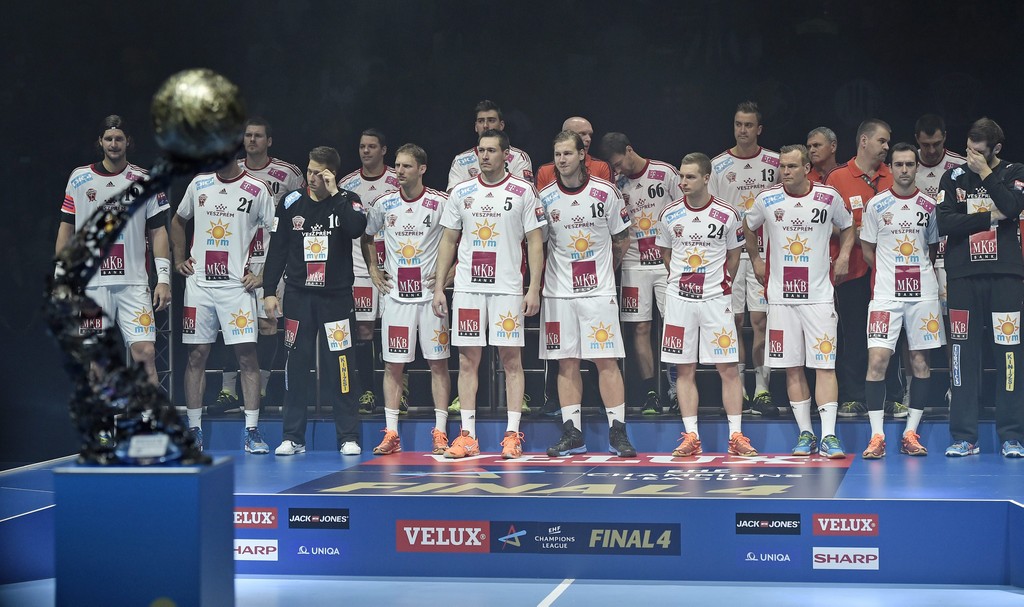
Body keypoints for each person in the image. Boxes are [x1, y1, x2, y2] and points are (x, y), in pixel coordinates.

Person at [432, 129, 545, 459]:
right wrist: (439, 287)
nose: (484, 156)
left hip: (507, 288)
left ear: (506, 155)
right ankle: (468, 436)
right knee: (467, 360)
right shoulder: (462, 192)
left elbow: (535, 242)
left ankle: (512, 435)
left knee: (511, 360)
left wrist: (533, 288)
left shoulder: (523, 191)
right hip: (468, 288)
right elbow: (448, 240)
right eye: (481, 150)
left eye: (491, 150)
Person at [744, 144, 855, 458]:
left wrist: (844, 256)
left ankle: (829, 436)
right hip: (781, 299)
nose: (785, 172)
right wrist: (756, 259)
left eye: (792, 166)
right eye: (782, 166)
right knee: (792, 368)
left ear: (807, 168)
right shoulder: (767, 199)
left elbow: (849, 226)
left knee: (824, 365)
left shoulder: (828, 196)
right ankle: (806, 433)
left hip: (819, 297)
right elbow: (748, 227)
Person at [262, 146, 368, 456]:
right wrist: (269, 290)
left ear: (331, 174)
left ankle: (348, 436)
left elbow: (356, 228)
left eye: (318, 173)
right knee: (296, 366)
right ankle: (293, 437)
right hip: (299, 297)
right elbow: (277, 248)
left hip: (336, 298)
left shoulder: (348, 200)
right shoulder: (291, 202)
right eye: (309, 171)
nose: (311, 177)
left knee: (341, 366)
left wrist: (335, 194)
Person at [539, 130, 637, 458]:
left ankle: (618, 433)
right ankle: (573, 434)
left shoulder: (606, 192)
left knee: (606, 360)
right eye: (558, 155)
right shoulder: (544, 198)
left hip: (598, 293)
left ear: (582, 155)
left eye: (568, 153)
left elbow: (622, 238)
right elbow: (537, 244)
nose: (562, 160)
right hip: (558, 293)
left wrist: (607, 271)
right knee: (566, 363)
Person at [56, 115, 171, 386]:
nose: (114, 144)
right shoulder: (79, 178)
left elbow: (159, 232)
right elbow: (66, 230)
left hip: (134, 284)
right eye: (108, 138)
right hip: (92, 286)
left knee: (146, 353)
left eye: (119, 138)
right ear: (100, 142)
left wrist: (164, 279)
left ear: (128, 141)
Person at [170, 161, 275, 452]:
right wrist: (179, 259)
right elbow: (178, 221)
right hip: (199, 286)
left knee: (247, 357)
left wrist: (263, 275)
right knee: (196, 355)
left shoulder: (257, 189)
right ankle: (194, 430)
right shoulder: (198, 184)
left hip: (237, 287)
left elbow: (277, 234)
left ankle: (252, 431)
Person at [656, 153, 757, 457]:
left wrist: (719, 284)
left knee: (728, 368)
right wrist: (681, 281)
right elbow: (665, 253)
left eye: (689, 177)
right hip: (679, 301)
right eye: (681, 176)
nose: (682, 182)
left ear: (706, 178)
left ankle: (736, 435)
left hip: (715, 299)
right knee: (684, 368)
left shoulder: (727, 214)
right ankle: (691, 436)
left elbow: (734, 255)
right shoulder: (669, 214)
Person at [937, 117, 1024, 458]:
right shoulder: (953, 176)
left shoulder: (1014, 171)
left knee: (1009, 355)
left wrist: (986, 174)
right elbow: (945, 221)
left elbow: (1013, 207)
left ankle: (1012, 436)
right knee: (962, 355)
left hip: (1005, 276)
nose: (971, 157)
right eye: (968, 150)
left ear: (995, 149)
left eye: (979, 152)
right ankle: (964, 437)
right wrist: (989, 217)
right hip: (963, 276)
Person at [361, 144, 452, 456]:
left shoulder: (440, 202)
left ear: (422, 169)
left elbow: (460, 238)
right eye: (397, 165)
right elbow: (367, 236)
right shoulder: (384, 204)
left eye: (406, 166)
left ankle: (440, 432)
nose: (399, 171)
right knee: (393, 366)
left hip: (430, 299)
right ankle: (392, 433)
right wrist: (373, 269)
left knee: (438, 364)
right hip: (396, 299)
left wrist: (450, 273)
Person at [859, 143, 945, 458]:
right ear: (891, 168)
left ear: (917, 167)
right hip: (885, 297)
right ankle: (876, 436)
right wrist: (890, 274)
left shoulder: (929, 205)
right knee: (877, 361)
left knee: (920, 362)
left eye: (910, 164)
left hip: (923, 296)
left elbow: (931, 250)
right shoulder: (876, 205)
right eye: (899, 164)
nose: (905, 170)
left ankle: (911, 432)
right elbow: (867, 251)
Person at [215, 117, 305, 412]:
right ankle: (228, 390)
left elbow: (304, 210)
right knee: (233, 325)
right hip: (236, 260)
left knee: (268, 324)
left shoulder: (288, 173)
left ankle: (261, 389)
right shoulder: (231, 170)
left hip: (272, 259)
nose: (252, 140)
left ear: (269, 141)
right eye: (248, 135)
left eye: (258, 136)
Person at [826, 119, 906, 419]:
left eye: (887, 142)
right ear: (864, 141)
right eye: (882, 141)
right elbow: (826, 220)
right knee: (853, 333)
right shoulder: (838, 177)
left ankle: (892, 397)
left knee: (890, 334)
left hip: (888, 273)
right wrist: (859, 234)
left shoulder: (893, 175)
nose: (887, 147)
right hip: (852, 269)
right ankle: (852, 396)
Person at [708, 101, 781, 416]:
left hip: (766, 253)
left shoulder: (776, 163)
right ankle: (737, 388)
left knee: (761, 321)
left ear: (759, 129)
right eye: (738, 124)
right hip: (731, 254)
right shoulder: (718, 164)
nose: (743, 130)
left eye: (749, 125)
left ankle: (762, 389)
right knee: (734, 320)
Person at [601, 132, 681, 414]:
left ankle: (676, 389)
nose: (618, 169)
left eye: (619, 163)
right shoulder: (615, 184)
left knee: (674, 324)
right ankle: (651, 392)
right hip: (633, 263)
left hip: (666, 263)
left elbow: (685, 210)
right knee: (640, 328)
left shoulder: (665, 173)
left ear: (630, 149)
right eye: (613, 166)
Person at [338, 129, 401, 414]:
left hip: (395, 266)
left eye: (372, 146)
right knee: (363, 331)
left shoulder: (397, 178)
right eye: (362, 146)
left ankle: (401, 391)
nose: (366, 151)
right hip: (359, 266)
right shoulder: (347, 184)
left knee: (396, 329)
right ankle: (367, 391)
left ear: (384, 150)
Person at [915, 114, 966, 318]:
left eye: (936, 144)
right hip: (917, 254)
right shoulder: (905, 164)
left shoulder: (961, 166)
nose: (931, 150)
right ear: (916, 139)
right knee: (919, 318)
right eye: (925, 145)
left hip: (951, 254)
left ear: (945, 136)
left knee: (953, 317)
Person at [447, 100, 533, 191]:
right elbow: (453, 195)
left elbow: (525, 192)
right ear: (476, 126)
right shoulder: (461, 161)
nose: (485, 125)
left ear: (501, 125)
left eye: (491, 120)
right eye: (481, 121)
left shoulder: (519, 158)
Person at [535, 116, 612, 189]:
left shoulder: (602, 167)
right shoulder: (544, 171)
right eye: (582, 134)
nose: (588, 139)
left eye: (590, 135)